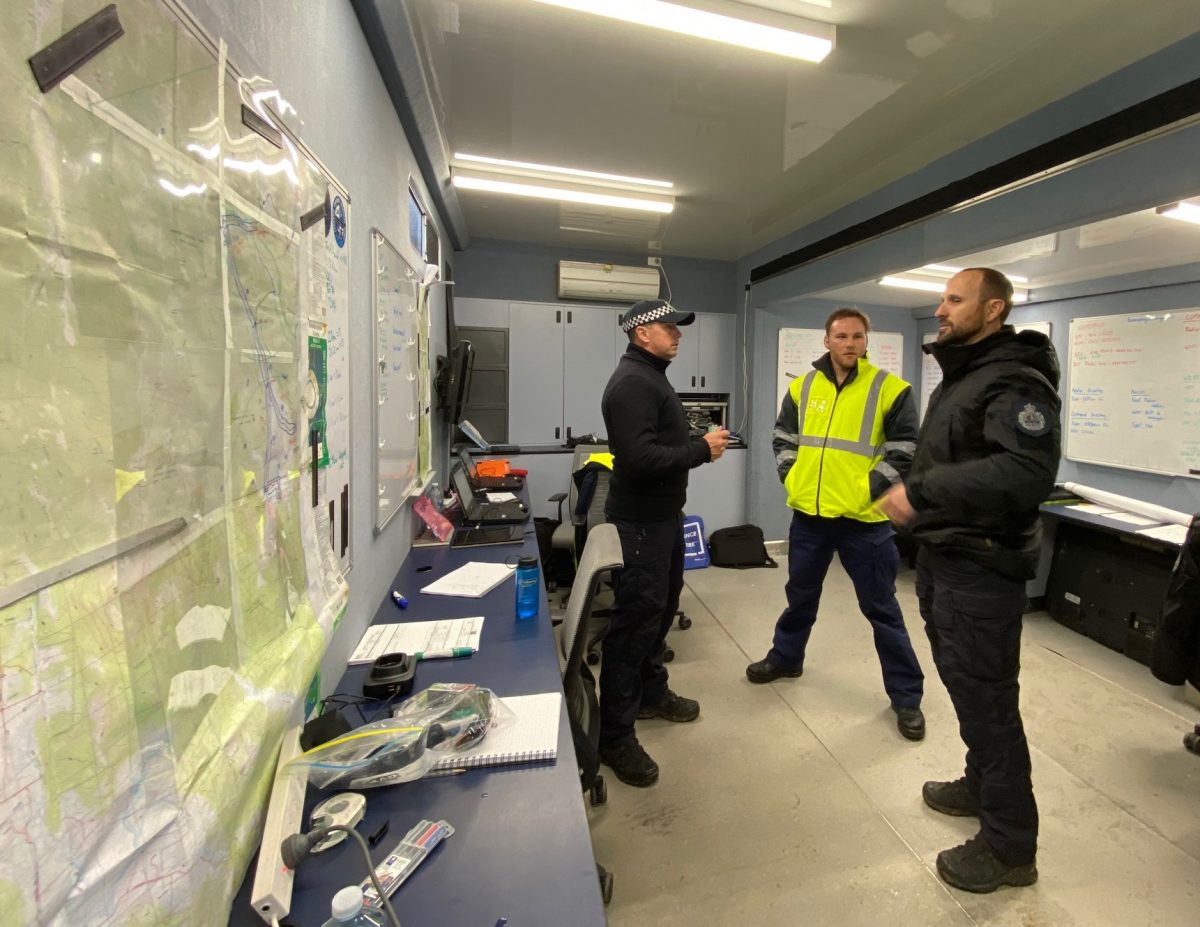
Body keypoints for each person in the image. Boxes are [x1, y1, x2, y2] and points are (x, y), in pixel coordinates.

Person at [878, 267, 1061, 894]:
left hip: (982, 569)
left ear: (993, 310)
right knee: (965, 689)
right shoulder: (966, 376)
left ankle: (1011, 849)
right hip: (947, 558)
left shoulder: (1014, 380)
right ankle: (981, 785)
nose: (940, 309)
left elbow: (1021, 473)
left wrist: (919, 490)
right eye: (942, 298)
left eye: (955, 300)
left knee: (989, 704)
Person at [746, 308, 926, 742]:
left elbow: (905, 449)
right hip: (809, 516)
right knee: (800, 596)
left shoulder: (891, 389)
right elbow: (783, 437)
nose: (850, 343)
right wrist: (792, 475)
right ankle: (786, 657)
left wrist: (865, 490)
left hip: (863, 523)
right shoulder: (803, 386)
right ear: (826, 341)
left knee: (881, 609)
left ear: (867, 342)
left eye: (858, 337)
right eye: (841, 336)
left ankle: (906, 697)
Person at [598, 298, 729, 787]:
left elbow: (657, 439)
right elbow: (638, 459)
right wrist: (701, 449)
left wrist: (695, 439)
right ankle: (614, 736)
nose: (677, 333)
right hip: (640, 526)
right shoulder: (633, 382)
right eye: (668, 326)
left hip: (663, 519)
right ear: (640, 333)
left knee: (661, 611)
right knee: (634, 624)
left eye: (678, 326)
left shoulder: (651, 377)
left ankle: (652, 693)